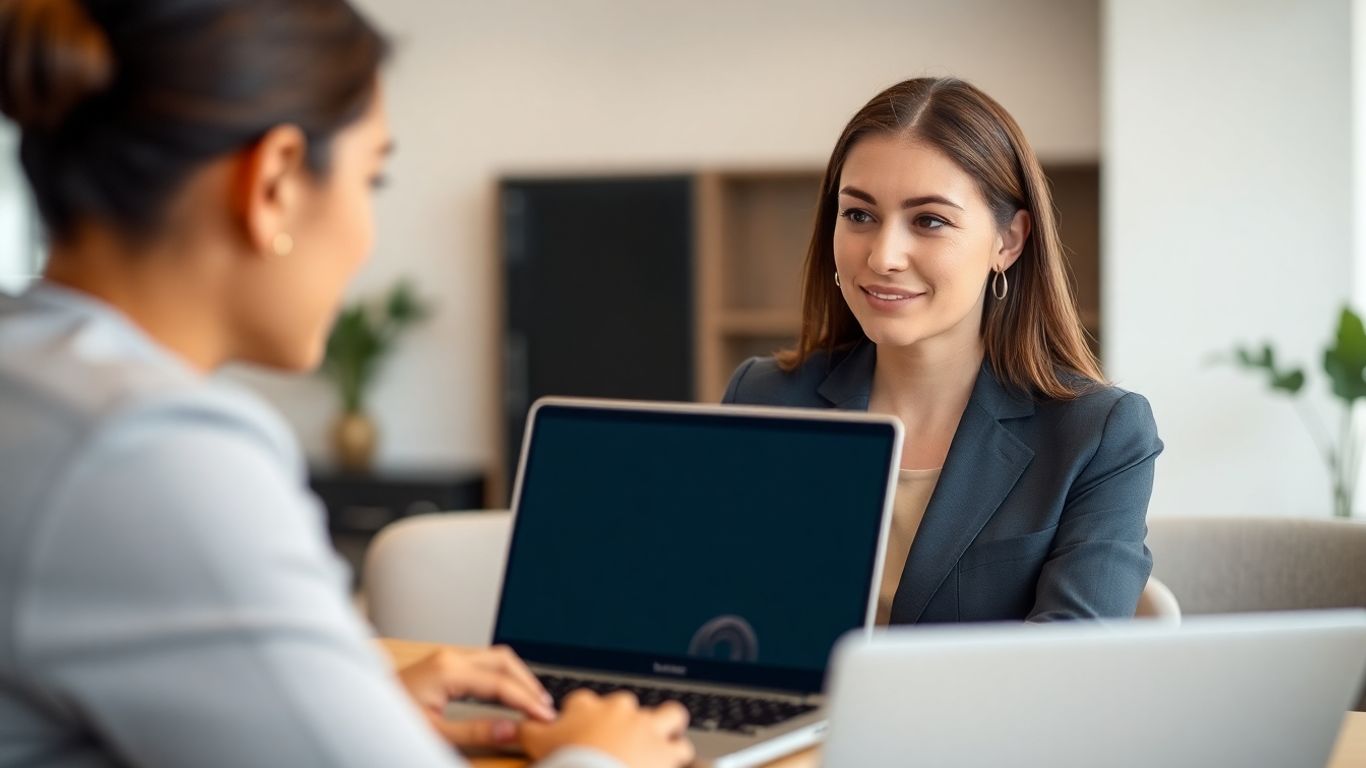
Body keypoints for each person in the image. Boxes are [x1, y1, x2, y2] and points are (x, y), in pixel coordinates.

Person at [0, 1, 692, 766]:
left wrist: (343, 701)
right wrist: (605, 756)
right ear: (274, 184)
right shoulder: (146, 450)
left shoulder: (34, 382)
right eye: (373, 177)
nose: (366, 236)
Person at [723, 77, 1162, 625]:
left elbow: (1066, 664)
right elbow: (711, 607)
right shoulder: (763, 398)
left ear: (1009, 241)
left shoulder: (1098, 434)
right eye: (859, 214)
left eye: (929, 220)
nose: (883, 256)